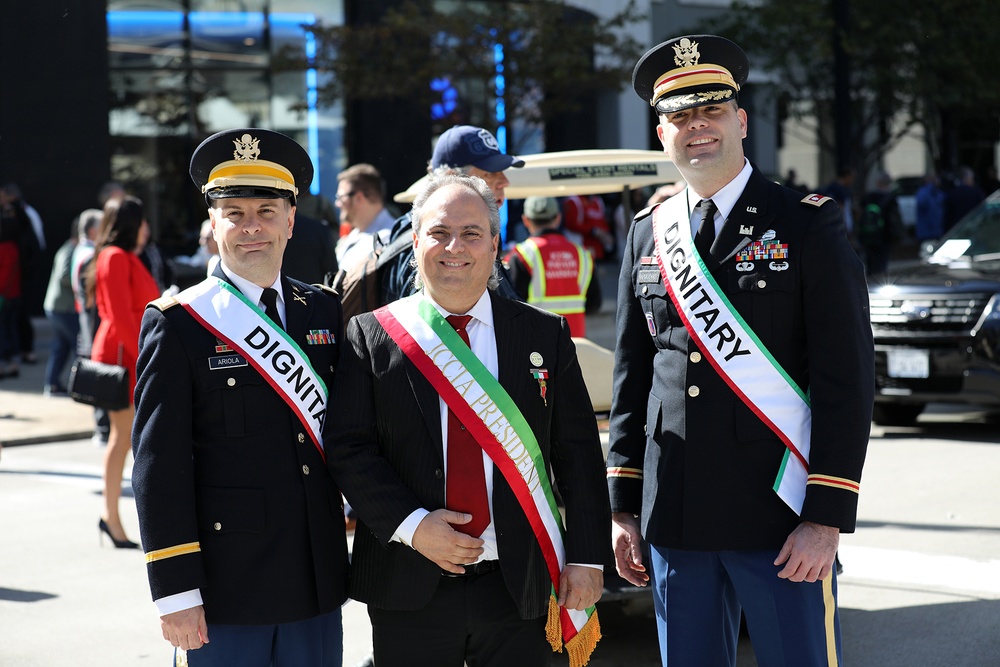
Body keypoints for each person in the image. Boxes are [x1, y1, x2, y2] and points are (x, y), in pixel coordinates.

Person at [607, 35, 874, 666]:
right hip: (676, 516)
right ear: (661, 133)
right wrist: (624, 506)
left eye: (712, 110)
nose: (696, 127)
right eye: (679, 115)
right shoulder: (649, 232)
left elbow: (846, 380)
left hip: (780, 520)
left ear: (741, 120)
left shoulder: (806, 223)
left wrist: (826, 515)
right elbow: (633, 377)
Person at [325, 173, 611, 667]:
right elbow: (349, 448)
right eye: (438, 232)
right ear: (415, 242)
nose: (454, 246)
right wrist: (413, 526)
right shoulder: (370, 335)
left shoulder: (544, 334)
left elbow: (578, 453)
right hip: (406, 576)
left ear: (496, 243)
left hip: (519, 581)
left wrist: (586, 556)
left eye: (472, 233)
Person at [132, 128, 348, 666]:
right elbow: (158, 467)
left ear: (291, 220)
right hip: (225, 592)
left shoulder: (323, 311)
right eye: (234, 213)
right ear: (213, 224)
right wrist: (176, 593)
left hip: (315, 582)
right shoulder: (178, 324)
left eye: (267, 210)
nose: (252, 227)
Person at [86, 196, 160, 549]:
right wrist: (147, 358)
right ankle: (112, 519)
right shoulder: (115, 257)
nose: (147, 228)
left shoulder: (124, 256)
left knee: (124, 439)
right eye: (142, 221)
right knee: (121, 439)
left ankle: (112, 518)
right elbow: (119, 314)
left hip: (128, 352)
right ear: (132, 224)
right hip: (122, 355)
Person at [381, 124, 525, 305]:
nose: (504, 181)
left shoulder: (482, 230)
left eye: (471, 234)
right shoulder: (426, 239)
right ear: (451, 176)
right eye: (489, 173)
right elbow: (422, 324)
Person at [503, 195, 601, 337]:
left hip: (536, 344)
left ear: (526, 220)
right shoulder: (582, 254)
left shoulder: (521, 255)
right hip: (575, 344)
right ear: (558, 218)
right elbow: (594, 305)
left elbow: (511, 306)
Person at [0, 183, 42, 365]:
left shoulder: (9, 247)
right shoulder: (13, 247)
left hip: (13, 288)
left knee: (12, 324)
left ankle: (16, 355)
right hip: (16, 286)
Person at [42, 217, 81, 396]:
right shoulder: (70, 249)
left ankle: (52, 384)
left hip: (58, 307)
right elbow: (65, 275)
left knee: (61, 346)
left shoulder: (71, 249)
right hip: (62, 308)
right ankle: (78, 386)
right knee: (78, 347)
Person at [333, 163, 395, 273]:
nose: (337, 204)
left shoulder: (387, 238)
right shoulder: (356, 234)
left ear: (358, 198)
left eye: (341, 197)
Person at [858, 171, 902, 276]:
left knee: (870, 263)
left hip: (868, 236)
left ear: (878, 183)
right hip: (885, 236)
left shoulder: (868, 197)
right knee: (882, 263)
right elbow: (894, 220)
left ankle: (870, 285)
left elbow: (860, 214)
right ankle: (879, 284)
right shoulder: (891, 198)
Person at [282, 212, 338, 285]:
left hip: (277, 292)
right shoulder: (318, 229)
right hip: (312, 292)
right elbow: (332, 271)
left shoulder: (270, 230)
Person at [561, 194, 614, 261]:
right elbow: (571, 224)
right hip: (582, 250)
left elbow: (602, 221)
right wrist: (594, 231)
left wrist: (606, 234)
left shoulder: (598, 200)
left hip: (599, 250)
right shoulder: (573, 200)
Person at [819, 165, 857, 240]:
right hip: (839, 227)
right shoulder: (837, 189)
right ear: (847, 176)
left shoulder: (844, 189)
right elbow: (841, 208)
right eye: (852, 177)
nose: (853, 180)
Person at [944, 166, 985, 232]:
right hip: (974, 228)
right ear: (967, 179)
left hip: (955, 230)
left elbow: (947, 217)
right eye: (972, 179)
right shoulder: (976, 193)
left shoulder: (952, 194)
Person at [915, 171, 946, 243]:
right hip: (927, 231)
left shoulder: (937, 192)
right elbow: (922, 204)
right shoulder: (924, 192)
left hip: (936, 230)